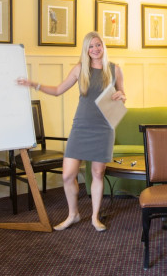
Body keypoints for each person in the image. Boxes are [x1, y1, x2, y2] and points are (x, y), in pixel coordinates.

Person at [17, 31, 126, 232]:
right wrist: (35, 84)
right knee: (68, 175)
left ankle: (94, 217)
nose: (95, 49)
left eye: (98, 45)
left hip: (103, 128)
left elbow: (122, 95)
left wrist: (121, 95)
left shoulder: (114, 70)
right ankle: (73, 214)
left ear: (103, 46)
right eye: (90, 46)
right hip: (81, 126)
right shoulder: (79, 69)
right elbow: (58, 90)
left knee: (97, 173)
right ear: (86, 49)